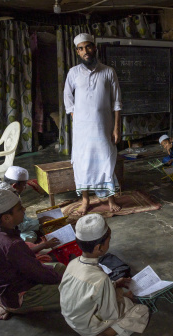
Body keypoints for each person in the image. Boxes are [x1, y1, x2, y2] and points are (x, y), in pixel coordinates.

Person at [59, 214, 149, 336]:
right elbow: (110, 314)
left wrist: (115, 284)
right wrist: (126, 299)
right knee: (141, 310)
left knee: (117, 292)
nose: (109, 243)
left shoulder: (73, 264)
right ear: (99, 248)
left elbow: (86, 290)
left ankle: (87, 335)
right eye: (109, 240)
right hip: (88, 326)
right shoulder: (101, 279)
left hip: (71, 320)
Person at [0, 189, 65, 320]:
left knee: (60, 267)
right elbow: (38, 273)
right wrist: (63, 281)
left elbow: (21, 258)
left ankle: (6, 303)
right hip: (19, 295)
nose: (24, 210)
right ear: (7, 218)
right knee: (75, 292)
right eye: (20, 209)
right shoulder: (11, 244)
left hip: (9, 286)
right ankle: (17, 307)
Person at [64, 33, 122, 215]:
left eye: (88, 47)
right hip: (82, 130)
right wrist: (78, 117)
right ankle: (85, 200)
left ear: (94, 48)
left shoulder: (108, 71)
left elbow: (117, 102)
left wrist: (116, 127)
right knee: (82, 163)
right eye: (81, 49)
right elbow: (68, 99)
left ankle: (110, 198)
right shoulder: (73, 73)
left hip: (104, 127)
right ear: (77, 52)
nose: (85, 51)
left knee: (106, 159)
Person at [0, 166, 48, 249]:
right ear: (14, 186)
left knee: (31, 230)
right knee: (29, 235)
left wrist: (37, 222)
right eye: (24, 185)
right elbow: (17, 225)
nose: (25, 188)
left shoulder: (1, 191)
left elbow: (21, 217)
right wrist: (38, 222)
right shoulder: (5, 199)